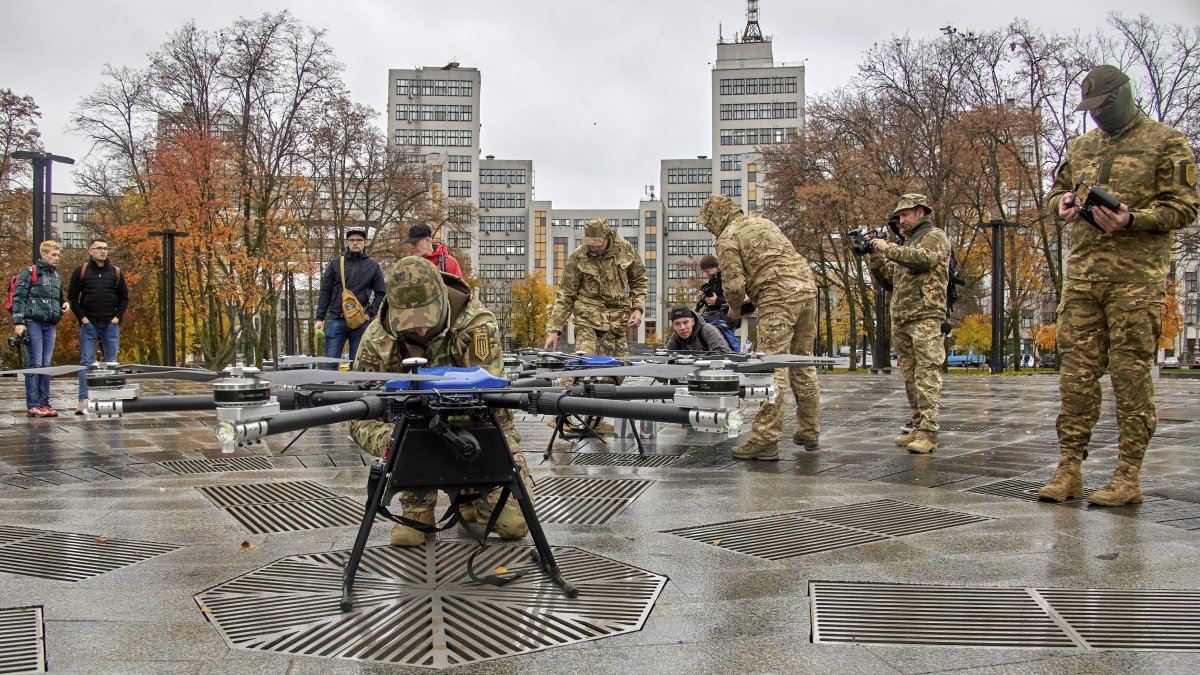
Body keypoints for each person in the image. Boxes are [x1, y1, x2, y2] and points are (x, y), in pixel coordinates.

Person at [1038, 64, 1199, 507]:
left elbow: (1184, 209)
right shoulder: (1083, 146)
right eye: (1090, 109)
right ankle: (1069, 467)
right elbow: (1056, 192)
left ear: (1124, 97)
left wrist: (1133, 219)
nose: (1097, 116)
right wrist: (1063, 205)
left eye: (1104, 106)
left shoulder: (1166, 141)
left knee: (1129, 377)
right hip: (1084, 277)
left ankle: (1129, 474)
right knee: (1075, 376)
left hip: (1135, 280)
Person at [349, 257, 532, 546]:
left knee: (513, 526)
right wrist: (391, 439)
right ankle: (418, 507)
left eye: (427, 318)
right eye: (410, 322)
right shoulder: (377, 339)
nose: (420, 330)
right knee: (410, 536)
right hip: (412, 437)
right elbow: (359, 415)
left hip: (480, 431)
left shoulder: (475, 323)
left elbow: (491, 402)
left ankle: (469, 491)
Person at [698, 195, 820, 458]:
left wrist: (733, 308)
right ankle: (810, 431)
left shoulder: (728, 236)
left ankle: (765, 439)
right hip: (807, 290)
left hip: (777, 295)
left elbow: (733, 284)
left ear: (715, 219)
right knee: (802, 362)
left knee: (772, 366)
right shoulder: (764, 223)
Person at [867, 194, 952, 454]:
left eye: (905, 215)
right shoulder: (907, 246)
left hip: (925, 315)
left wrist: (887, 248)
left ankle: (929, 432)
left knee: (927, 375)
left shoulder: (934, 236)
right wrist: (873, 256)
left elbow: (924, 259)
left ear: (921, 212)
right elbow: (890, 282)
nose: (901, 221)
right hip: (903, 317)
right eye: (899, 217)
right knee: (911, 377)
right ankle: (917, 426)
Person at [67, 238, 129, 414]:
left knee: (112, 363)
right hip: (89, 324)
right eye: (99, 248)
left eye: (106, 248)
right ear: (90, 251)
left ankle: (113, 399)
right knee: (86, 363)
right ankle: (83, 400)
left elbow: (124, 297)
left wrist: (117, 318)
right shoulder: (82, 271)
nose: (103, 251)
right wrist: (83, 319)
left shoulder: (115, 272)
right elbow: (72, 297)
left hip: (110, 324)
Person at [12, 241, 70, 418]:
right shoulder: (30, 272)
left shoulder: (56, 277)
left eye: (58, 255)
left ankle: (44, 402)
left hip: (50, 323)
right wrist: (19, 322)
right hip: (33, 322)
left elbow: (59, 297)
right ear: (43, 255)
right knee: (35, 363)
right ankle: (33, 404)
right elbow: (19, 296)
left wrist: (65, 303)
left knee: (46, 364)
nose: (57, 258)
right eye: (53, 255)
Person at [314, 226, 386, 370]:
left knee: (359, 365)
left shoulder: (372, 266)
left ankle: (358, 392)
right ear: (347, 242)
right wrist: (319, 318)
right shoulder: (335, 263)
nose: (355, 243)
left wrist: (369, 313)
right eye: (352, 240)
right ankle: (326, 391)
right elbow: (325, 292)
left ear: (365, 242)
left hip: (360, 322)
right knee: (330, 364)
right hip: (336, 319)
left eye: (359, 240)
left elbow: (381, 293)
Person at [665, 305, 732, 354]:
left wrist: (696, 360)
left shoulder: (707, 330)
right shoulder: (676, 337)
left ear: (693, 321)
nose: (682, 327)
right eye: (677, 324)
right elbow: (666, 355)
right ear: (673, 326)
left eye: (685, 322)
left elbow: (723, 353)